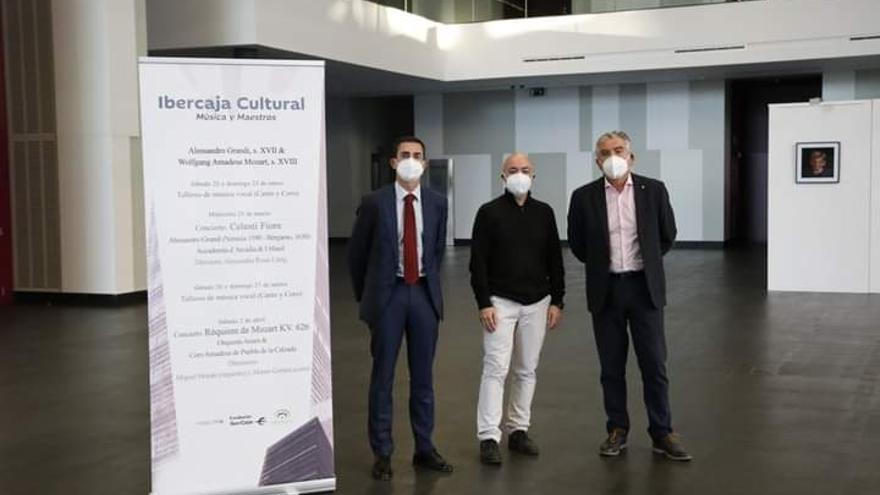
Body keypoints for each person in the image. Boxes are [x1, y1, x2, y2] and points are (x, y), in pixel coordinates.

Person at [567, 131, 692, 461]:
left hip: (644, 288)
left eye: (618, 150)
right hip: (605, 290)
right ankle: (617, 429)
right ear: (597, 161)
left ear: (631, 155)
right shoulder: (583, 197)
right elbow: (578, 244)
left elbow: (667, 235)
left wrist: (645, 263)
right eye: (605, 152)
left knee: (654, 364)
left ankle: (662, 432)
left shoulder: (654, 190)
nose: (612, 157)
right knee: (611, 367)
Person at [348, 136, 453, 480]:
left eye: (417, 156)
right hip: (388, 295)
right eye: (405, 155)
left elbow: (436, 251)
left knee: (423, 379)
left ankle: (424, 448)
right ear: (393, 162)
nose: (411, 160)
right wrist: (369, 297)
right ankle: (383, 452)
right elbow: (357, 255)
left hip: (423, 294)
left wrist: (429, 285)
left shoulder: (437, 202)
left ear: (424, 163)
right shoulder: (374, 202)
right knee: (383, 377)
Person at [469, 153, 565, 466]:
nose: (519, 175)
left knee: (527, 369)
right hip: (499, 302)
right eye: (513, 170)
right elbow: (478, 263)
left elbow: (555, 258)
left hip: (538, 302)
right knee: (496, 367)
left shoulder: (544, 212)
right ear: (502, 176)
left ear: (533, 176)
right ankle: (488, 436)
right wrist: (484, 302)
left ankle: (518, 429)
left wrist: (557, 300)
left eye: (525, 170)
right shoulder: (488, 213)